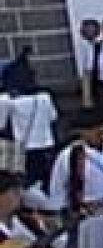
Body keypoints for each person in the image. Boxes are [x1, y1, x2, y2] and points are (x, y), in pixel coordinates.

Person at [49, 107, 103, 248]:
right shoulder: (70, 155)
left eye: (99, 127)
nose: (97, 132)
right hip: (88, 216)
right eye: (89, 129)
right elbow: (57, 189)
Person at [0, 49, 58, 185]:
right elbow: (53, 117)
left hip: (20, 148)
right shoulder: (44, 97)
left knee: (22, 184)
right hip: (46, 146)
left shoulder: (6, 100)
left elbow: (1, 125)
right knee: (46, 181)